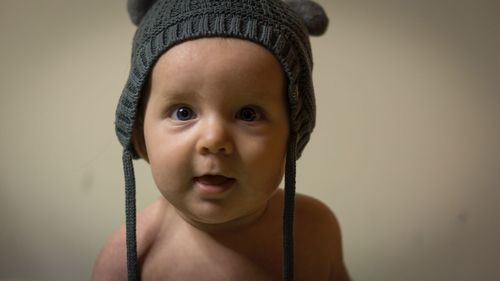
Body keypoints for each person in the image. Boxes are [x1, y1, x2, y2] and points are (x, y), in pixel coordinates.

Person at [92, 0, 350, 280]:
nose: (214, 140)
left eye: (248, 114)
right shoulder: (130, 255)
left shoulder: (315, 229)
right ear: (139, 137)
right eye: (183, 112)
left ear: (294, 133)